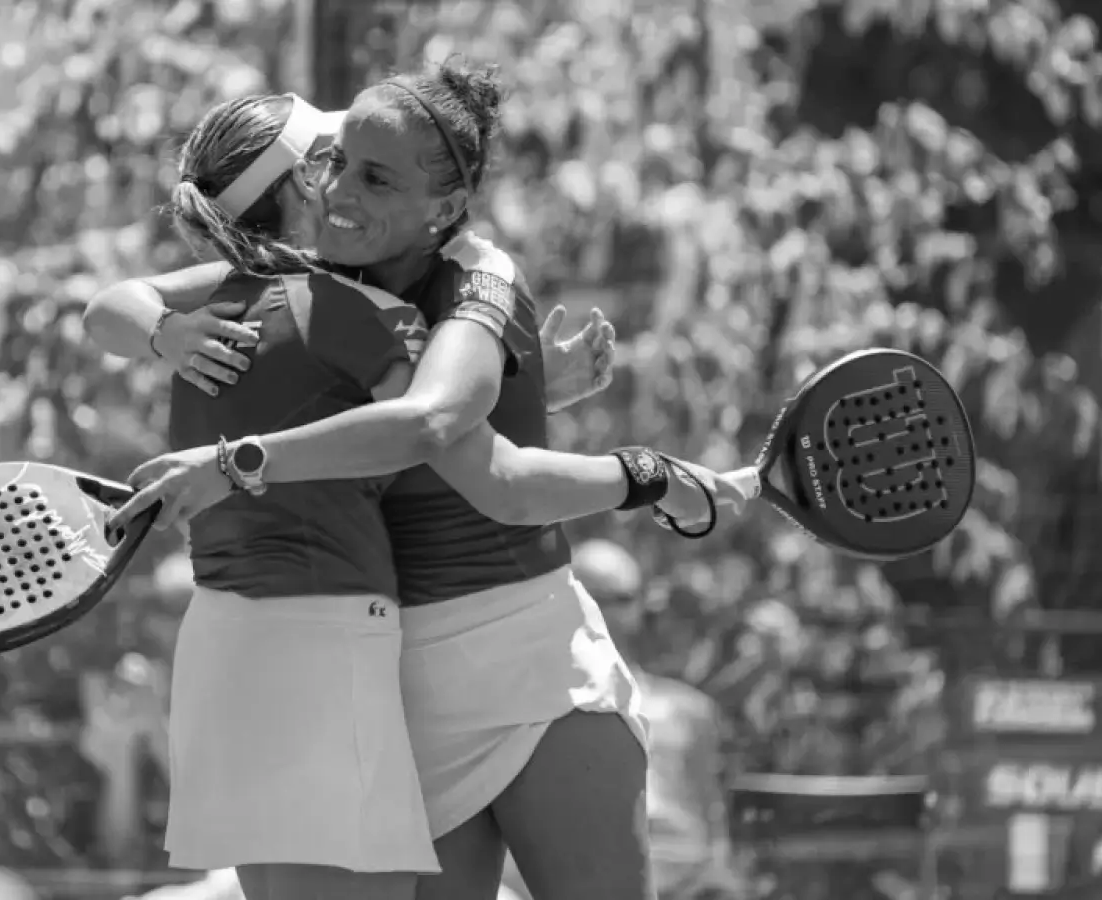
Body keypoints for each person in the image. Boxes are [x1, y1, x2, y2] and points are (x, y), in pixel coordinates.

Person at [98, 60, 756, 900]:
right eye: (331, 164)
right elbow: (402, 428)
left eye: (372, 173)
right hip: (389, 684)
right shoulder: (290, 297)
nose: (338, 186)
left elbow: (449, 437)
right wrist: (166, 340)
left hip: (527, 666)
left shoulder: (477, 275)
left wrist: (625, 458)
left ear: (443, 208)